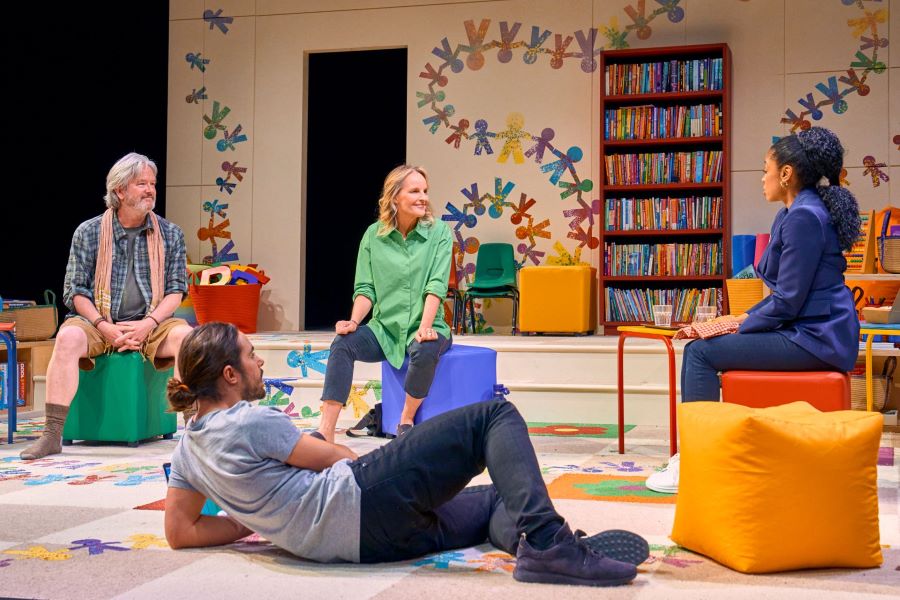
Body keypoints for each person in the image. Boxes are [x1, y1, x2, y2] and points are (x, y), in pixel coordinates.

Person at [164, 322, 648, 587]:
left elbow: (180, 532)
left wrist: (253, 521)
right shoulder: (249, 420)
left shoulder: (188, 449)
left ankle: (532, 545)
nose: (260, 360)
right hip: (363, 499)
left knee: (498, 497)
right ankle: (551, 545)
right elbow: (335, 458)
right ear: (230, 375)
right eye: (251, 354)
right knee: (494, 416)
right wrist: (334, 457)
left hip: (364, 544)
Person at [646, 126, 861, 494]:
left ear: (786, 174)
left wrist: (740, 324)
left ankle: (696, 462)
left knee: (699, 353)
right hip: (806, 328)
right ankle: (701, 455)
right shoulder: (793, 213)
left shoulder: (804, 217)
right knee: (706, 345)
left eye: (766, 169)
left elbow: (788, 300)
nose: (762, 178)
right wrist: (740, 319)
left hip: (817, 336)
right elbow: (786, 294)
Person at [20, 153, 193, 460]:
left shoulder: (170, 234)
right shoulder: (88, 232)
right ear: (120, 190)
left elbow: (176, 291)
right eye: (141, 184)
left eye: (152, 183)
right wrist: (104, 326)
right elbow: (75, 292)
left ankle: (193, 431)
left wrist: (148, 324)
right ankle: (52, 434)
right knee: (67, 337)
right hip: (98, 322)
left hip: (152, 323)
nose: (150, 190)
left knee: (187, 338)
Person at [317, 165, 454, 441]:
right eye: (414, 191)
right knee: (342, 344)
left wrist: (425, 327)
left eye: (425, 191)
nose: (423, 197)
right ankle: (325, 431)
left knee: (424, 348)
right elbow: (365, 288)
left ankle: (405, 420)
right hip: (385, 329)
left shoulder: (440, 232)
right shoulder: (373, 235)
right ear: (395, 197)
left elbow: (436, 287)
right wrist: (353, 321)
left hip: (429, 325)